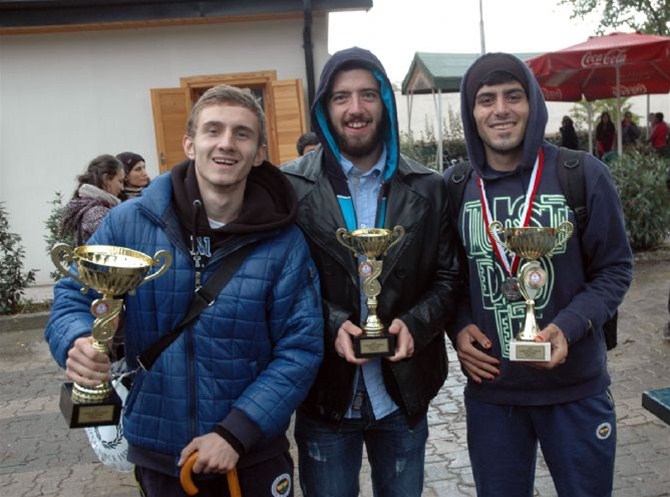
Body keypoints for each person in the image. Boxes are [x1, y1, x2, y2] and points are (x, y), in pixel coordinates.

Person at [45, 85, 324, 497]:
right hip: (160, 454)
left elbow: (300, 348)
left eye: (242, 133)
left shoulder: (283, 242)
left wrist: (235, 432)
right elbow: (73, 295)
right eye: (213, 130)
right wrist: (78, 339)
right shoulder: (129, 223)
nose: (226, 143)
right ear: (190, 144)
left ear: (259, 153)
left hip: (251, 457)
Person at [444, 53, 633, 497]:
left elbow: (615, 268)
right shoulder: (454, 187)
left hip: (575, 389)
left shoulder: (581, 174)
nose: (501, 110)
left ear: (533, 103)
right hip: (493, 393)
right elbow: (446, 278)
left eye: (513, 96)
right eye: (486, 99)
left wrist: (569, 326)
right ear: (472, 112)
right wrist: (458, 326)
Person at [282, 47, 463, 497]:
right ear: (324, 108)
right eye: (341, 97)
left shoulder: (428, 186)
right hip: (324, 393)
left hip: (403, 393)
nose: (356, 108)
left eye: (367, 94)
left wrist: (415, 324)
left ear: (385, 102)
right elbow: (282, 283)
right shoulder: (290, 187)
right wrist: (330, 323)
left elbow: (448, 277)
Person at [62, 154, 125, 246]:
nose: (122, 187)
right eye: (120, 181)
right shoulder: (97, 213)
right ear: (106, 179)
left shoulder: (88, 205)